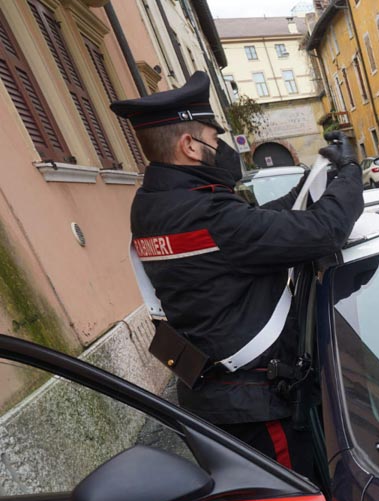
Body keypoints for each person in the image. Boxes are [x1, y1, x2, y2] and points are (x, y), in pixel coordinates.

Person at [111, 72, 363, 479]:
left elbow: (255, 226)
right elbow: (326, 231)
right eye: (214, 138)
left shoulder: (152, 205)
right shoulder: (209, 213)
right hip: (253, 403)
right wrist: (350, 172)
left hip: (213, 397)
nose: (222, 147)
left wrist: (312, 181)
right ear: (189, 145)